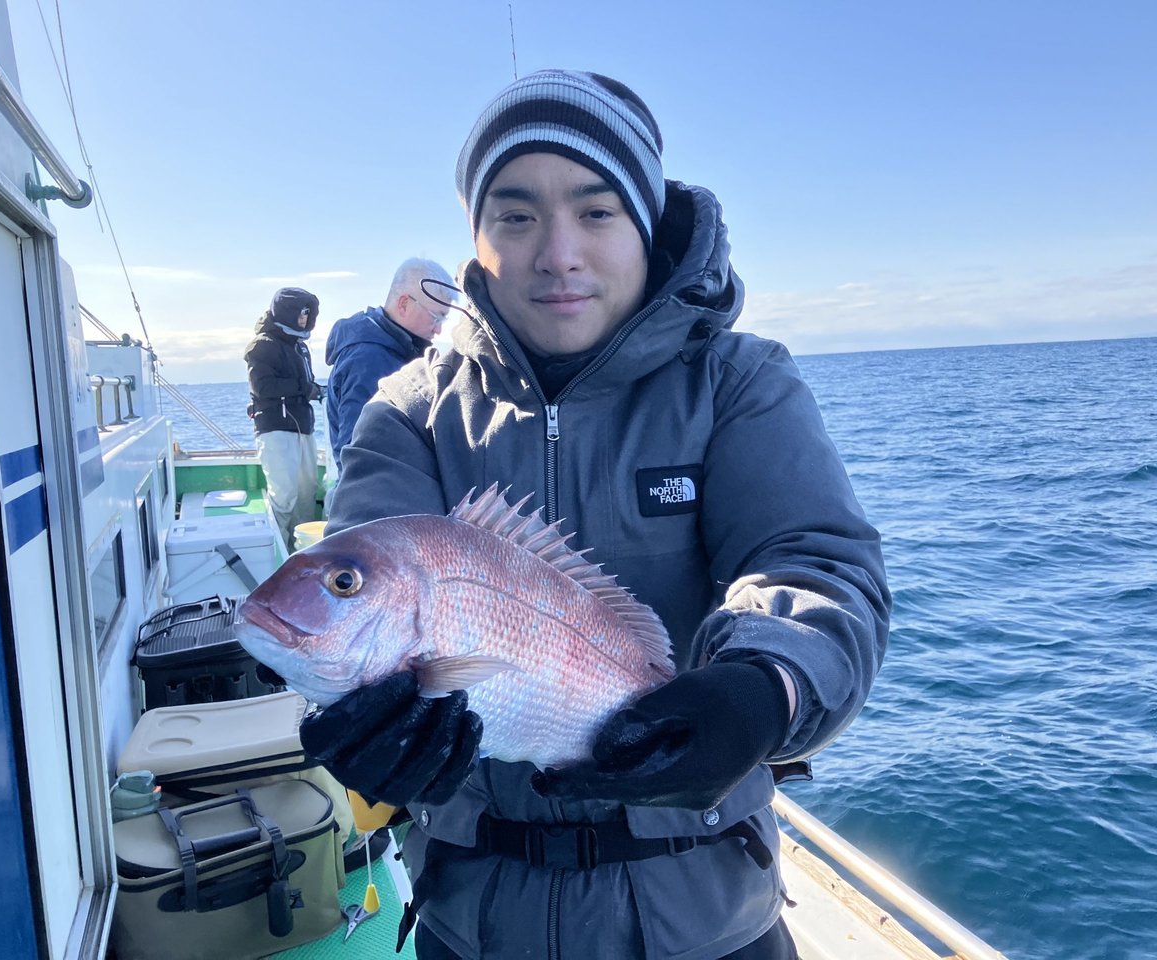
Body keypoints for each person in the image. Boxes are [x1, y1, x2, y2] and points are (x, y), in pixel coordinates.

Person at [303, 70, 891, 960]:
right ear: (475, 241)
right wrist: (361, 721)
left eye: (597, 210)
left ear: (646, 225)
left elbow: (815, 562)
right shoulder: (408, 411)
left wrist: (763, 687)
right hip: (474, 920)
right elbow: (362, 588)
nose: (558, 252)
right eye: (516, 215)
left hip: (707, 918)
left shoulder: (738, 382)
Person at [324, 258, 455, 471]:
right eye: (436, 317)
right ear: (404, 304)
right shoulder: (368, 360)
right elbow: (358, 453)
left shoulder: (397, 351)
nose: (438, 330)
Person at [244, 286, 322, 550]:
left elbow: (305, 384)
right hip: (275, 430)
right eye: (300, 313)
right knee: (284, 496)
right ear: (286, 313)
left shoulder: (300, 347)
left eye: (307, 313)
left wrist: (317, 390)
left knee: (306, 493)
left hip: (303, 428)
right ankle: (277, 555)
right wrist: (304, 388)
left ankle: (304, 554)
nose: (304, 318)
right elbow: (262, 387)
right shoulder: (262, 346)